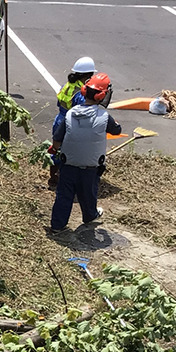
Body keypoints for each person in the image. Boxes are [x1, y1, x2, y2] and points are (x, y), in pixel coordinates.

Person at [49, 73, 121, 234]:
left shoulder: (70, 114)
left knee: (64, 196)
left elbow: (57, 140)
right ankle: (90, 215)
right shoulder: (104, 117)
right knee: (89, 193)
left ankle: (57, 226)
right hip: (91, 167)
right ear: (102, 96)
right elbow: (117, 130)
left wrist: (55, 149)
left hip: (68, 164)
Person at [46, 56, 96, 189]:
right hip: (70, 124)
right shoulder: (81, 93)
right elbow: (82, 112)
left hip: (59, 120)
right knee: (69, 152)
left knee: (56, 149)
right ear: (88, 77)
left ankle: (53, 179)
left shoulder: (67, 86)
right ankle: (64, 181)